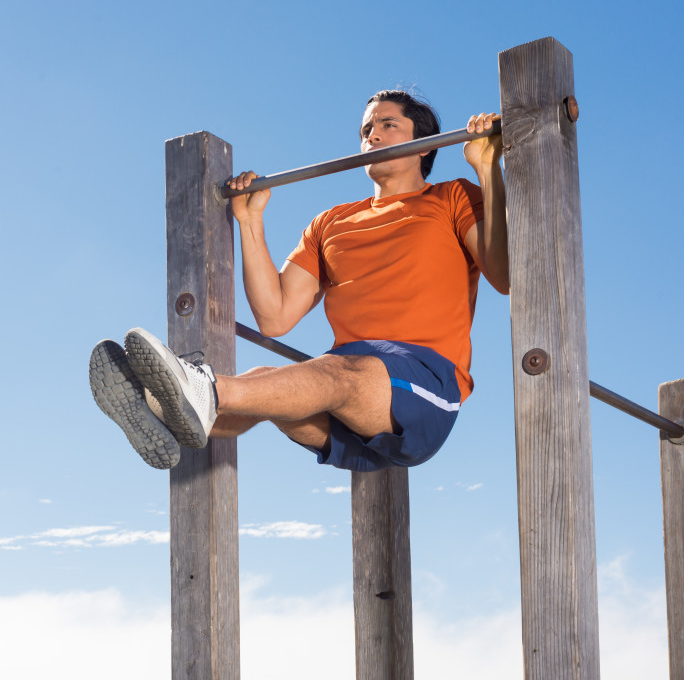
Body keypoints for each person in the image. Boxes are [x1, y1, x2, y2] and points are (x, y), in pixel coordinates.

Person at [89, 90, 507, 472]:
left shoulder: (452, 197)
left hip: (422, 387)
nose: (372, 137)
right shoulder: (331, 222)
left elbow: (504, 275)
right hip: (344, 393)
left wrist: (488, 166)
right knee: (270, 384)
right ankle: (158, 408)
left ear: (426, 144)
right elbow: (275, 318)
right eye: (366, 130)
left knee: (323, 375)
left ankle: (202, 389)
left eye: (387, 125)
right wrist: (250, 224)